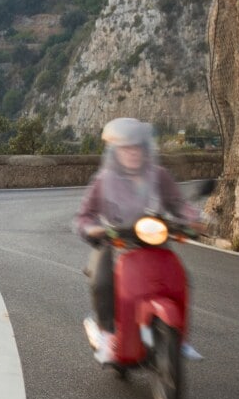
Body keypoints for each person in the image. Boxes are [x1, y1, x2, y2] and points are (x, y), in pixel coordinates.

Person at [75, 117, 201, 360]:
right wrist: (93, 229)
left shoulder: (159, 175)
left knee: (180, 279)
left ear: (145, 148)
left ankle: (180, 338)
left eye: (137, 147)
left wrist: (193, 219)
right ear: (115, 151)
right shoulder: (104, 180)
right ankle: (106, 335)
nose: (133, 153)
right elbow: (84, 216)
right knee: (102, 281)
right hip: (114, 242)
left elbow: (178, 204)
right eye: (126, 148)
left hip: (153, 242)